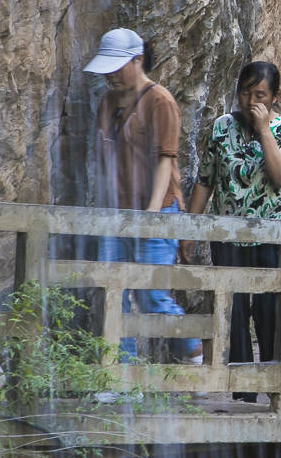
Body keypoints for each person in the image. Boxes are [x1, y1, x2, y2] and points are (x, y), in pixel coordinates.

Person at [85, 28, 200, 365]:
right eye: (108, 68)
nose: (111, 75)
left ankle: (191, 349)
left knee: (151, 294)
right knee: (112, 293)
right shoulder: (107, 102)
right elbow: (104, 157)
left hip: (157, 210)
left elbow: (166, 158)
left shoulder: (160, 100)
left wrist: (150, 214)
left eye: (118, 67)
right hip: (116, 213)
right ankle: (120, 373)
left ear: (137, 60)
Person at [190, 61, 281, 398]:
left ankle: (272, 387)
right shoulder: (221, 128)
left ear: (275, 96)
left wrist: (265, 130)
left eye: (260, 95)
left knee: (270, 313)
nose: (250, 101)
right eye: (244, 92)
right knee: (233, 312)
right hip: (229, 238)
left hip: (273, 238)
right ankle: (242, 392)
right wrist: (186, 230)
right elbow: (205, 181)